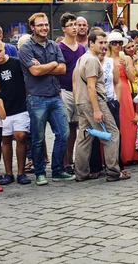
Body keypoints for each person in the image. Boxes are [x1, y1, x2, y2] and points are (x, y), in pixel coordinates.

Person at [19, 12, 74, 186]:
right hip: (36, 98)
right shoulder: (26, 48)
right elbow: (34, 72)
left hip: (55, 96)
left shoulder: (53, 45)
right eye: (40, 25)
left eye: (46, 24)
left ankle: (57, 170)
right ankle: (40, 172)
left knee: (63, 134)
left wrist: (45, 66)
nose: (44, 28)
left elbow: (63, 69)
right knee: (38, 138)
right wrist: (52, 65)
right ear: (33, 27)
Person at [73, 30, 125, 182]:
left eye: (105, 42)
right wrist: (96, 109)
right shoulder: (92, 60)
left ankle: (81, 173)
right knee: (112, 134)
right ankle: (114, 171)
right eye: (100, 43)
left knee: (85, 136)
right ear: (91, 43)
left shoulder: (82, 59)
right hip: (93, 102)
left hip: (82, 102)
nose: (104, 46)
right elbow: (91, 86)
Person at [0, 39, 31, 186]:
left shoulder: (16, 62)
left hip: (20, 107)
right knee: (5, 140)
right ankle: (8, 173)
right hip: (3, 110)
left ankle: (21, 172)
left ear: (4, 48)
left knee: (21, 136)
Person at [56, 13, 86, 174]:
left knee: (75, 126)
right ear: (63, 29)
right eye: (71, 25)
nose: (75, 28)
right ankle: (64, 162)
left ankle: (71, 158)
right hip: (64, 90)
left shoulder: (81, 48)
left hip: (80, 91)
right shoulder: (59, 47)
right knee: (65, 128)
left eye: (76, 24)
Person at [107, 32, 138, 165]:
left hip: (125, 89)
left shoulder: (126, 58)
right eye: (114, 43)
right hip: (110, 88)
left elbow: (132, 78)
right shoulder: (105, 58)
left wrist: (126, 67)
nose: (118, 45)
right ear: (109, 44)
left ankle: (128, 154)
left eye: (120, 43)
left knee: (127, 122)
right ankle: (112, 156)